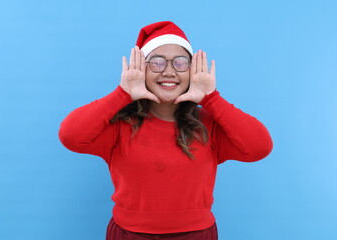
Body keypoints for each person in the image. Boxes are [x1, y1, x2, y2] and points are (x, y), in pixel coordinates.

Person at [58, 21, 273, 240]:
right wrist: (123, 93)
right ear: (142, 69)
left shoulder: (209, 124)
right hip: (129, 234)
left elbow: (260, 147)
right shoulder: (121, 125)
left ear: (192, 70)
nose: (169, 72)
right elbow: (71, 135)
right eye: (157, 62)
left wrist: (211, 98)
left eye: (180, 63)